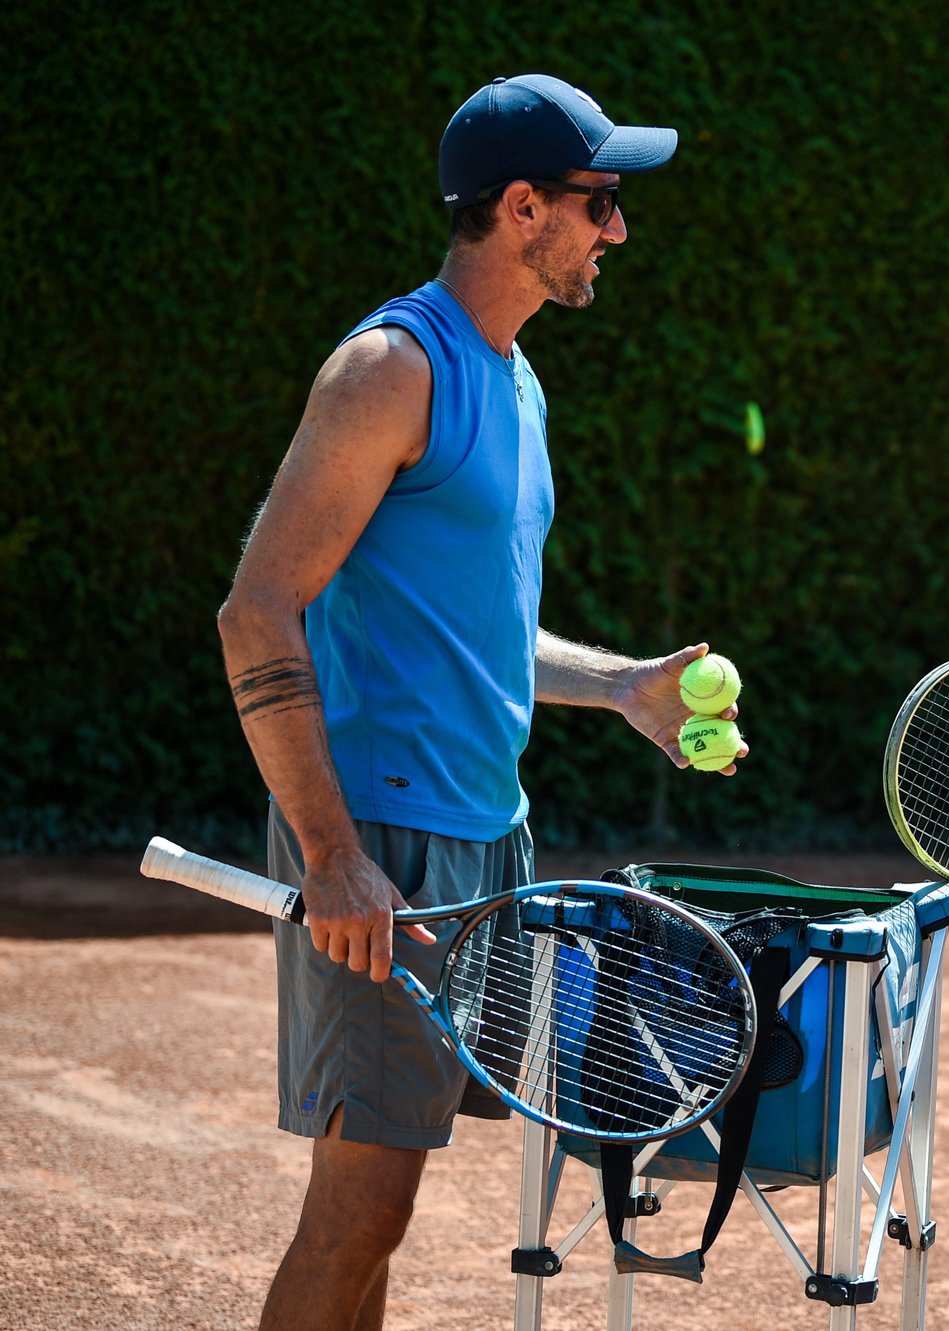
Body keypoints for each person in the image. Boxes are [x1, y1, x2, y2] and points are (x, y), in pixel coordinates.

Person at [215, 74, 747, 1331]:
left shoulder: (513, 381)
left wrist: (620, 685)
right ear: (523, 208)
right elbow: (257, 610)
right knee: (354, 1210)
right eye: (599, 202)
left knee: (384, 1205)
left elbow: (482, 632)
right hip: (381, 843)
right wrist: (335, 857)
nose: (616, 230)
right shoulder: (389, 369)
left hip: (477, 834)